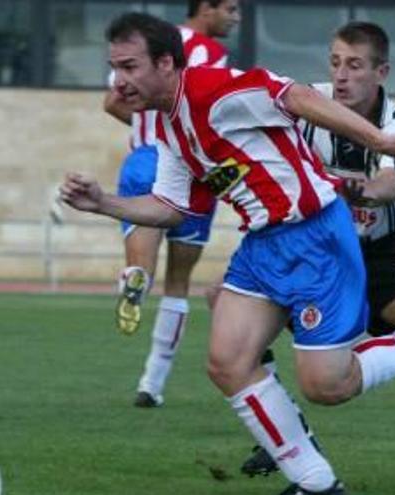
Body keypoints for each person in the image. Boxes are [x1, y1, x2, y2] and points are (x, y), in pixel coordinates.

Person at [61, 12, 395, 495]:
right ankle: (316, 483)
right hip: (262, 245)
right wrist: (103, 203)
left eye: (129, 67)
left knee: (327, 386)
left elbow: (292, 95)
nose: (119, 81)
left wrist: (381, 140)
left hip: (315, 236)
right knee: (227, 361)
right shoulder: (170, 126)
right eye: (114, 67)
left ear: (164, 63)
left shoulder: (211, 90)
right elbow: (170, 208)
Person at [239, 21, 395, 495]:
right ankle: (294, 443)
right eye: (335, 63)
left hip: (380, 254)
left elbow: (390, 183)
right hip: (315, 255)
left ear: (381, 72)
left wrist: (364, 191)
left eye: (354, 65)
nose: (341, 75)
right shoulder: (307, 103)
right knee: (234, 326)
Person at [102, 0, 240, 409]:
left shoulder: (139, 46)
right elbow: (214, 110)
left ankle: (134, 277)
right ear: (206, 8)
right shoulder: (208, 54)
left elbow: (112, 102)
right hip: (190, 166)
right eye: (230, 9)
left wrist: (151, 124)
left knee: (142, 258)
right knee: (178, 283)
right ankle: (152, 382)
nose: (235, 18)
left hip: (145, 158)